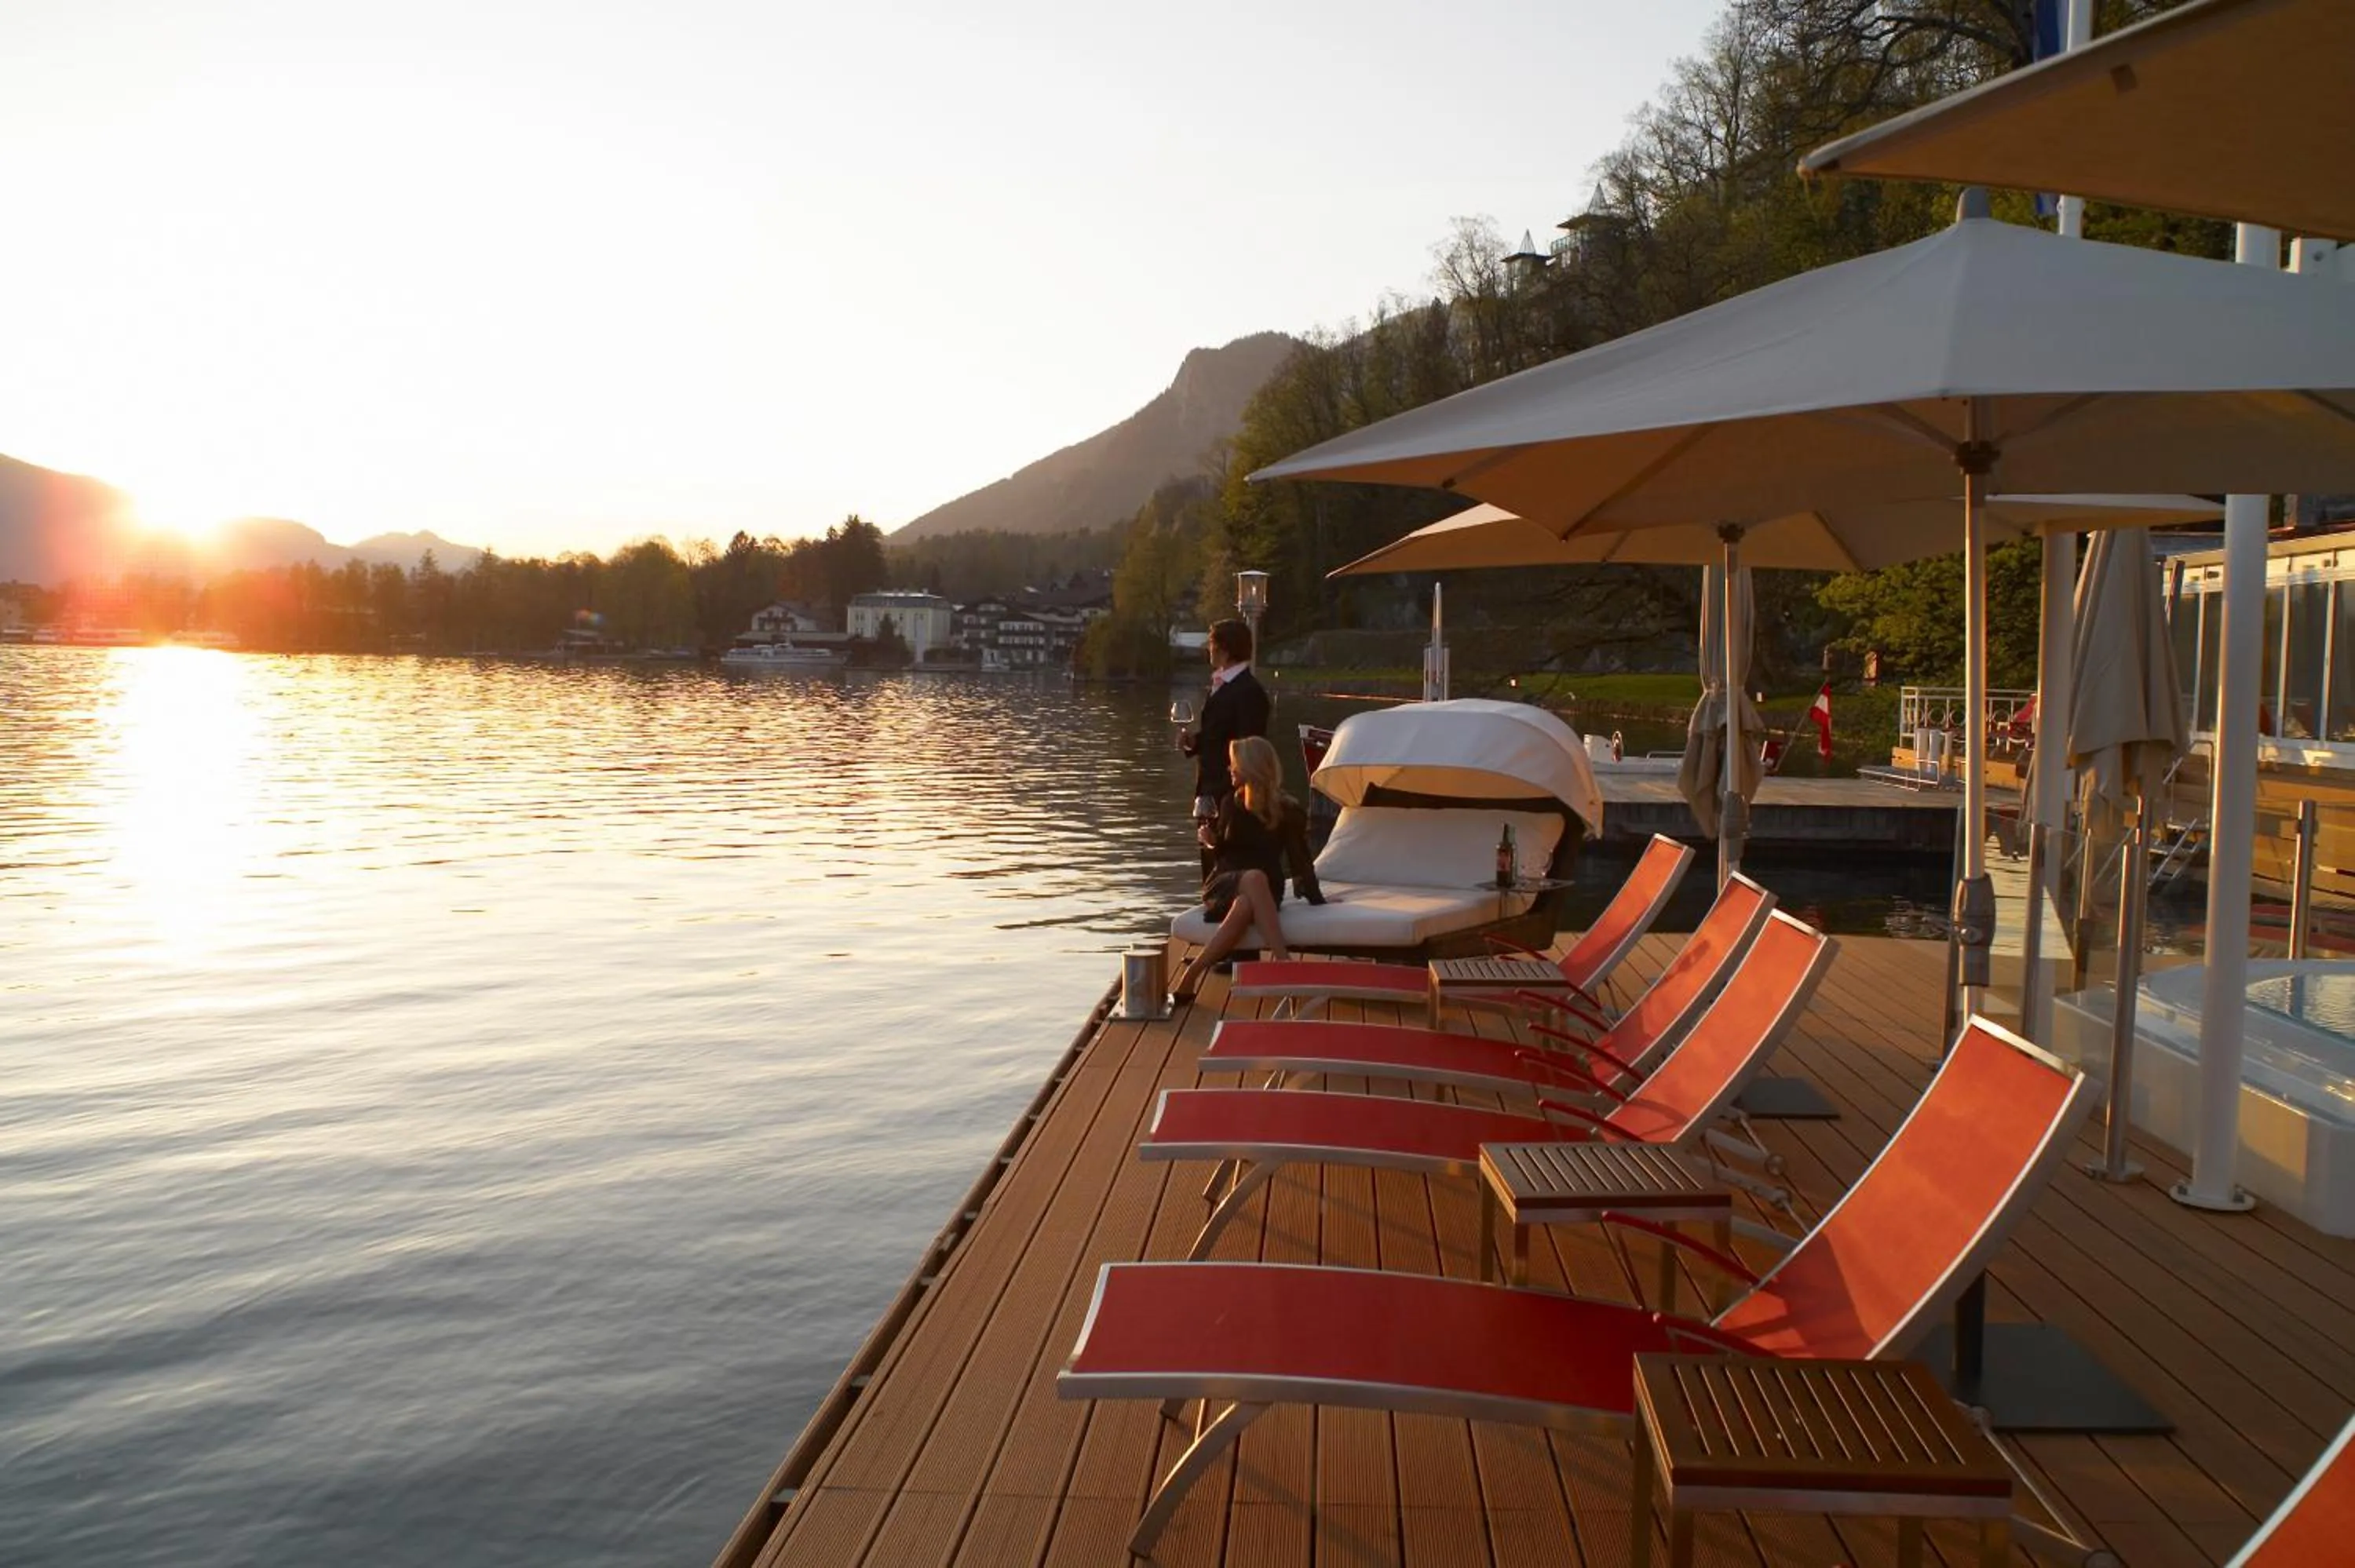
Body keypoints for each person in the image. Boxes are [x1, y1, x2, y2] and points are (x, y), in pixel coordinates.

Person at [1170, 736, 1322, 1004]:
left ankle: (1191, 974)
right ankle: (1285, 967)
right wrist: (1210, 843)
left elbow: (1300, 859)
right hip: (1225, 883)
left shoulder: (1287, 810)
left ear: (1251, 768)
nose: (1230, 769)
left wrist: (1317, 898)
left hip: (1264, 889)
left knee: (1247, 899)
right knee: (1253, 878)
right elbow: (1224, 854)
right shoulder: (1230, 802)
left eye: (1234, 764)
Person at [1178, 618, 1270, 872]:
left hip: (1229, 792)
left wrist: (1234, 794)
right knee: (1209, 864)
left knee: (1226, 863)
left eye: (1212, 644)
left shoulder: (1248, 692)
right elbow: (1217, 735)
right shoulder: (1222, 685)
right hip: (1208, 788)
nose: (1208, 650)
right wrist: (1193, 743)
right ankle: (1214, 906)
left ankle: (1225, 908)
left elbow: (1249, 746)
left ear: (1225, 650)